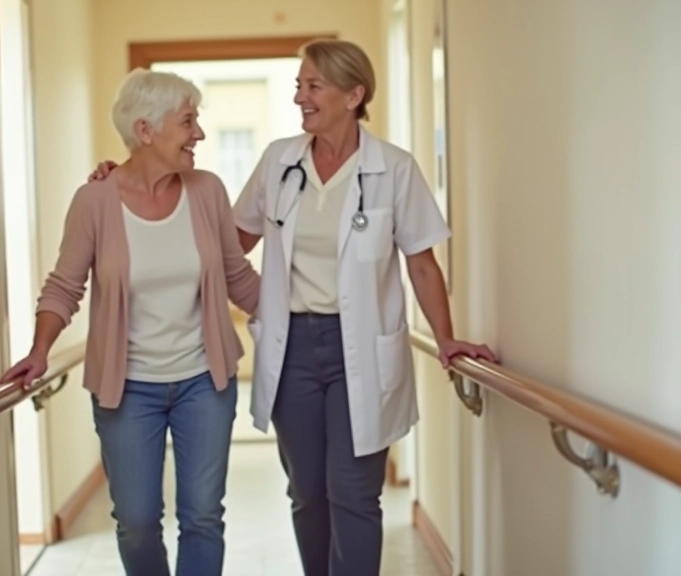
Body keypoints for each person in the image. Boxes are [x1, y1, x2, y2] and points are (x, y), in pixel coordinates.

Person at [88, 39, 496, 576]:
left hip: (362, 349)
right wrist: (131, 180)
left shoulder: (393, 169)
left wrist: (446, 338)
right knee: (307, 492)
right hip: (294, 347)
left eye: (313, 86)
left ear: (354, 95)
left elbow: (422, 263)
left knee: (352, 491)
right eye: (298, 85)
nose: (300, 97)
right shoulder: (280, 161)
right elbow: (226, 242)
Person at [1, 68, 260, 576]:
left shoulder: (207, 191)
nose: (200, 134)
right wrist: (39, 350)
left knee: (203, 516)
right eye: (188, 122)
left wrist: (308, 314)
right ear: (146, 130)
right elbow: (64, 286)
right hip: (128, 389)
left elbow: (239, 277)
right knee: (137, 521)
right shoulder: (94, 201)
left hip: (204, 381)